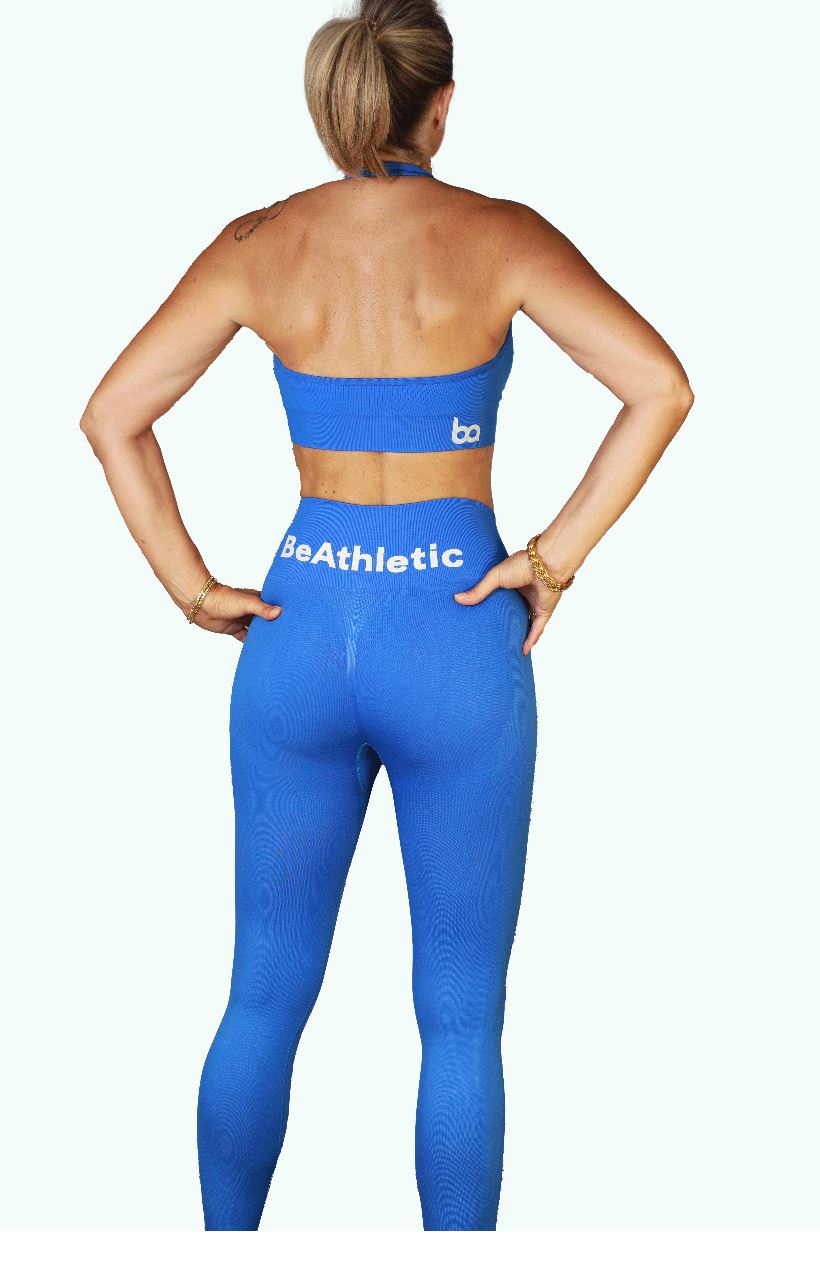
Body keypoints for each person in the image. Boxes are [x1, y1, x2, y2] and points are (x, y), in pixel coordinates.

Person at [79, 0, 694, 1233]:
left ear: (335, 103)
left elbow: (111, 414)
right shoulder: (503, 235)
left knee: (261, 994)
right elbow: (659, 386)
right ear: (441, 105)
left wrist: (192, 589)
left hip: (299, 624)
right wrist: (552, 559)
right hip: (452, 628)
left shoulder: (257, 242)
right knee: (459, 1013)